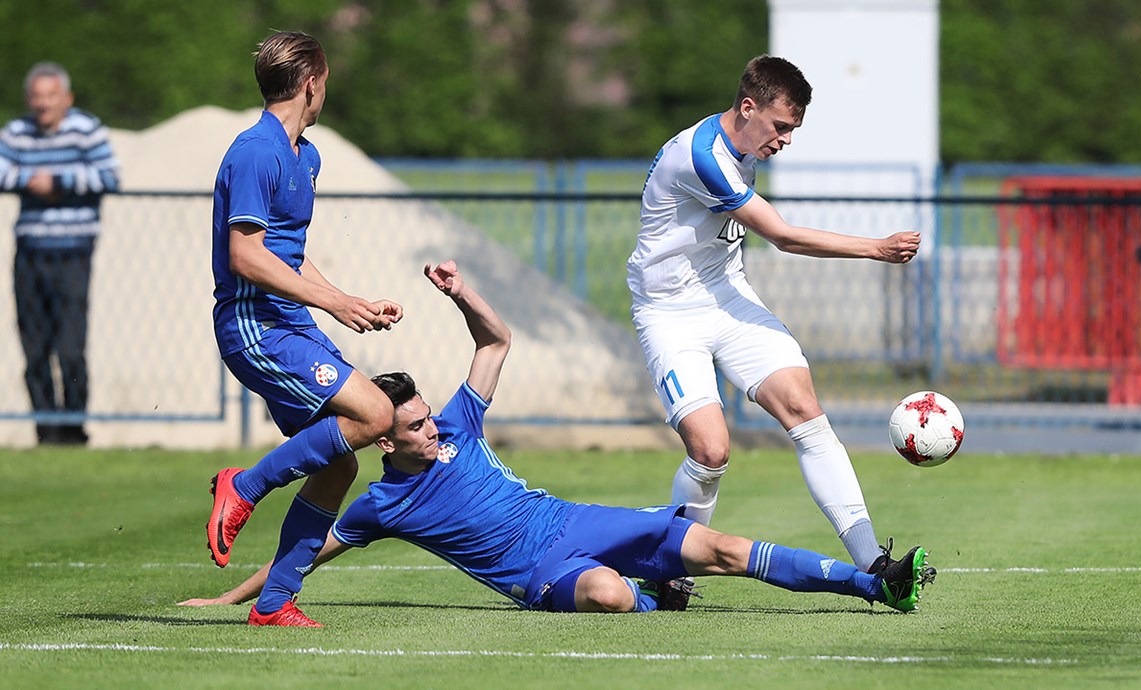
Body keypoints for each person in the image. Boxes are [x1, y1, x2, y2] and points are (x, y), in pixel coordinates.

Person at [180, 260, 935, 624]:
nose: (429, 426)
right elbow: (308, 553)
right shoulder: (380, 503)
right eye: (412, 426)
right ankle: (649, 594)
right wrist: (237, 592)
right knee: (610, 595)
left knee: (724, 549)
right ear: (386, 442)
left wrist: (462, 292)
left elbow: (496, 342)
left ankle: (876, 583)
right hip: (538, 572)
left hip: (575, 521)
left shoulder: (459, 423)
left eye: (424, 416)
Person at [626, 55, 924, 573]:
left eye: (792, 129)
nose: (785, 139)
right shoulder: (702, 156)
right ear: (747, 107)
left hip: (726, 295)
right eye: (781, 126)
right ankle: (667, 568)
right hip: (669, 313)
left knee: (803, 408)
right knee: (711, 451)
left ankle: (875, 564)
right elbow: (782, 236)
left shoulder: (743, 142)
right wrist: (876, 248)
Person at [205, 30, 402, 626]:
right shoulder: (255, 151)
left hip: (287, 319)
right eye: (326, 84)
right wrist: (334, 305)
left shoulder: (305, 155)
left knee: (340, 463)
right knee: (375, 414)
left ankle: (273, 602)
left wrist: (346, 299)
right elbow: (247, 257)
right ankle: (243, 485)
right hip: (253, 324)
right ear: (312, 83)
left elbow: (286, 256)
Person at [0, 62, 120, 445]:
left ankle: (72, 430)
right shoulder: (17, 132)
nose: (42, 103)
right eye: (36, 96)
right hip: (30, 252)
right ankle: (46, 432)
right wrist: (29, 181)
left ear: (66, 98)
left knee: (70, 348)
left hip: (73, 253)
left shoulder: (87, 129)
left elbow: (110, 177)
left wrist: (60, 181)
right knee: (34, 349)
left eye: (50, 96)